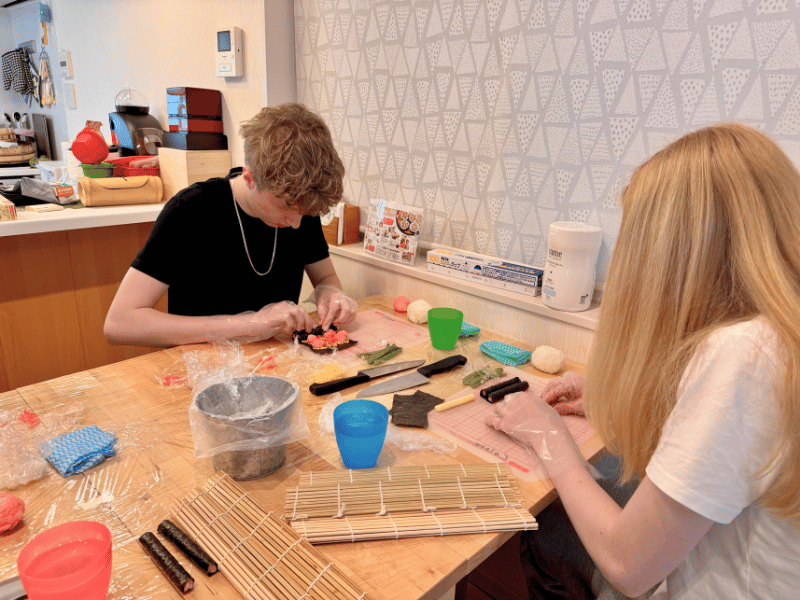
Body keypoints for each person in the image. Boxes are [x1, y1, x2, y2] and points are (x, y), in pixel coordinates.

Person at [488, 123, 800, 599]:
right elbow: (734, 448)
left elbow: (627, 564)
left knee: (539, 522)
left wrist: (546, 434)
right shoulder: (780, 334)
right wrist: (617, 401)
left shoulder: (746, 355)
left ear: (678, 251)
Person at [104, 103, 357, 347]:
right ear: (250, 178)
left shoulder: (300, 203)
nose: (296, 224)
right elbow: (120, 323)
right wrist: (247, 324)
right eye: (285, 209)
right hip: (202, 368)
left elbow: (325, 276)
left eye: (304, 213)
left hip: (274, 363)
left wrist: (330, 294)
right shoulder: (191, 210)